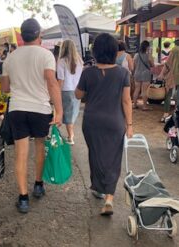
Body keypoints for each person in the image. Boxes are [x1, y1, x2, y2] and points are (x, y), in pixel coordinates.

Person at [1, 18, 63, 214]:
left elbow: (4, 89)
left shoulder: (10, 57)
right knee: (39, 147)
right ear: (39, 35)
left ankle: (23, 197)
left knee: (21, 154)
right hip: (40, 108)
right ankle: (38, 185)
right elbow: (52, 84)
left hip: (17, 108)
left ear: (22, 35)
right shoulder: (46, 55)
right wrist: (60, 111)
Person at [75, 33, 133, 216]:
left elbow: (77, 95)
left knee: (96, 154)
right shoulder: (123, 73)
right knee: (113, 158)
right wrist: (129, 125)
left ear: (96, 51)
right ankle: (109, 197)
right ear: (114, 52)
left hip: (92, 121)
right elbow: (126, 101)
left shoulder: (88, 72)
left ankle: (99, 187)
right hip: (114, 121)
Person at [57, 40, 83, 145]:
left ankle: (70, 136)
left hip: (66, 90)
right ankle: (70, 135)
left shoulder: (61, 61)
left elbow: (60, 80)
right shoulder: (80, 61)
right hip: (77, 90)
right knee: (72, 113)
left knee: (65, 113)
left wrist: (56, 93)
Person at [159, 39, 179, 122]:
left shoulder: (174, 50)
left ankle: (165, 114)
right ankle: (176, 114)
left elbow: (167, 64)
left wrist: (162, 74)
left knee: (168, 94)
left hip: (173, 76)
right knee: (177, 96)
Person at [133, 40, 154, 110]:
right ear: (147, 47)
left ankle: (134, 104)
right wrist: (150, 53)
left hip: (137, 73)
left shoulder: (136, 55)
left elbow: (134, 65)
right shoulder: (148, 55)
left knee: (136, 89)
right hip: (145, 74)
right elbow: (152, 65)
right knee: (144, 91)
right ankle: (144, 106)